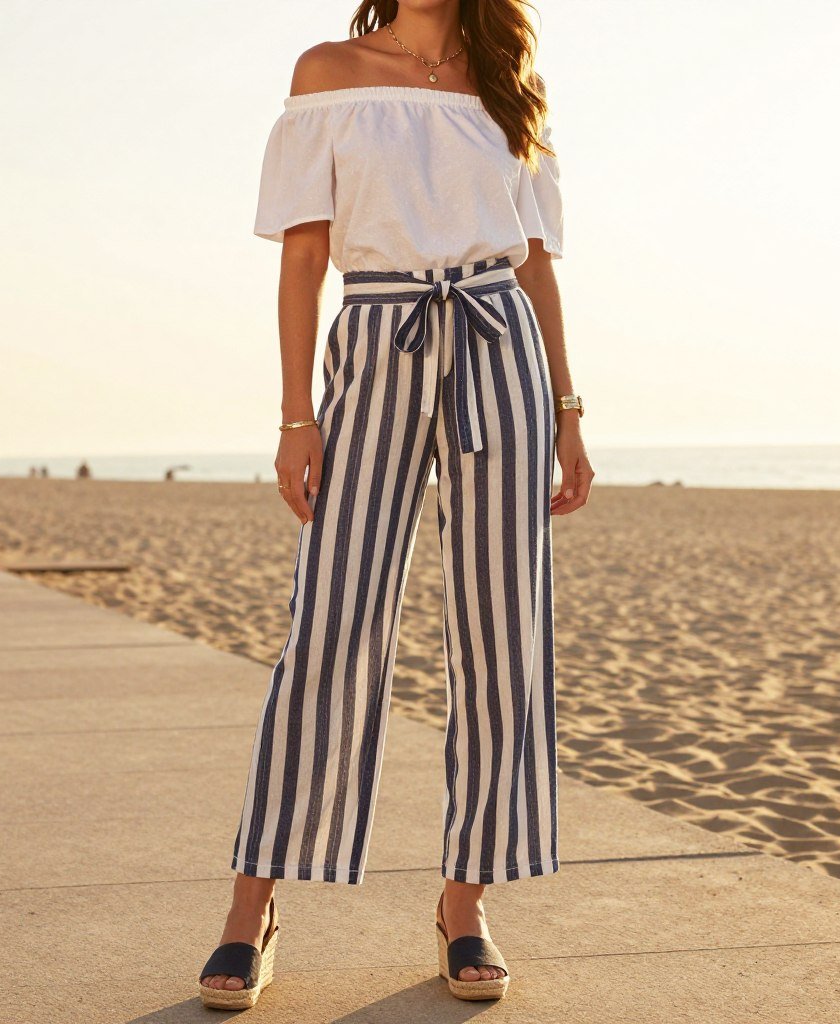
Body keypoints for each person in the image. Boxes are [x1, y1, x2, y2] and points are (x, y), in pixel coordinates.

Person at [198, 1, 594, 1010]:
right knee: (329, 628)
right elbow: (301, 255)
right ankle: (253, 910)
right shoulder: (330, 71)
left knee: (504, 637)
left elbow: (536, 259)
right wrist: (296, 416)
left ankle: (465, 904)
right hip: (375, 342)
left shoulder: (505, 85)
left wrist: (566, 409)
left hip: (499, 346)